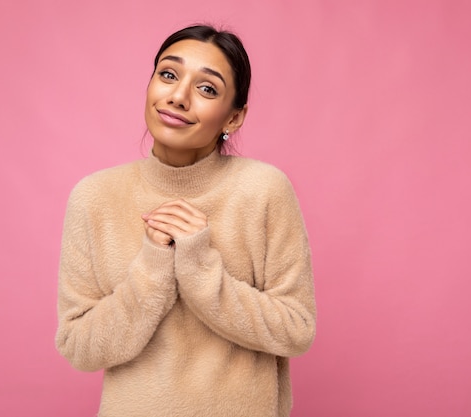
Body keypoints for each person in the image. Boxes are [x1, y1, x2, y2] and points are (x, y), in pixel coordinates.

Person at [55, 24, 316, 417]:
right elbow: (78, 346)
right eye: (168, 75)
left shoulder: (263, 190)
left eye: (207, 89)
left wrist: (199, 268)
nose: (178, 97)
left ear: (234, 117)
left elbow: (296, 330)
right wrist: (151, 269)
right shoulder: (94, 197)